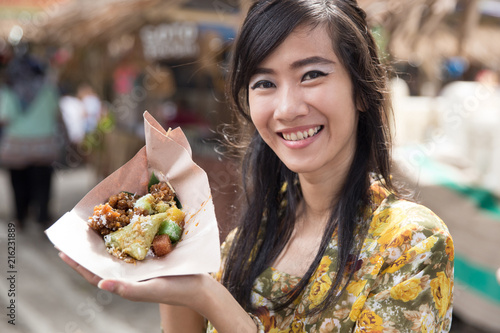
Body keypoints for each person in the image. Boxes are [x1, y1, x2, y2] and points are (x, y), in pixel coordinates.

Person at [60, 1, 454, 332]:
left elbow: (211, 304)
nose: (287, 109)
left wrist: (208, 297)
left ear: (362, 91)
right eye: (264, 83)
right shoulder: (260, 229)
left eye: (312, 75)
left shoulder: (411, 241)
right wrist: (176, 272)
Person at [0, 53, 60, 229]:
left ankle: (20, 217)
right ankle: (42, 216)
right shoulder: (48, 89)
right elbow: (56, 114)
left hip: (16, 147)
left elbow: (4, 118)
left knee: (18, 183)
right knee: (43, 182)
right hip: (44, 146)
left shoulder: (9, 91)